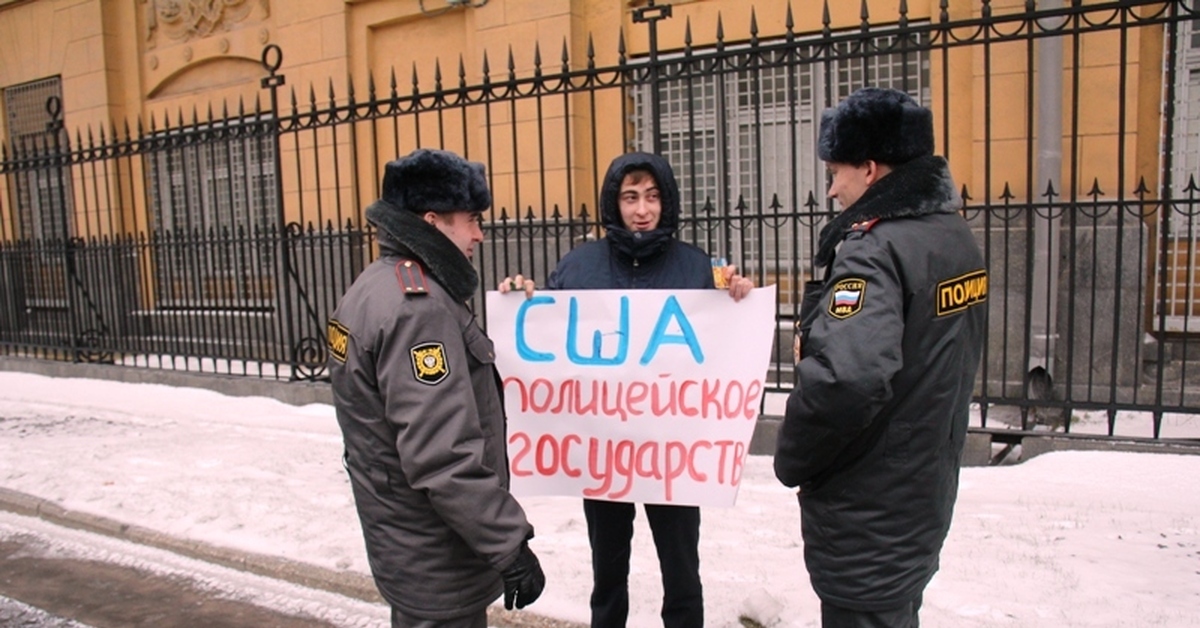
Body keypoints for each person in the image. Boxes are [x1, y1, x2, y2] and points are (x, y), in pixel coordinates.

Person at [500, 152, 753, 628]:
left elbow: (722, 343)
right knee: (608, 570)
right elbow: (551, 341)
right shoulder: (578, 267)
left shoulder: (696, 266)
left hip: (672, 453)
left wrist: (736, 295)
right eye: (631, 197)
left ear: (667, 202)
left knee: (682, 572)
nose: (642, 209)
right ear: (613, 203)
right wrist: (520, 301)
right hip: (604, 450)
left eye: (653, 197)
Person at [773, 87, 988, 627]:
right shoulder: (951, 236)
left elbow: (845, 379)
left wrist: (793, 456)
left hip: (868, 508)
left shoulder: (874, 249)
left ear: (869, 169)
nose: (830, 189)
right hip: (921, 489)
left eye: (835, 171)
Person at [327, 148, 545, 628]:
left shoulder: (371, 286)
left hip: (403, 537)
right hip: (436, 550)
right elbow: (441, 455)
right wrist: (508, 544)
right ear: (432, 221)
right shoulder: (417, 308)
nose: (479, 234)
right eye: (471, 220)